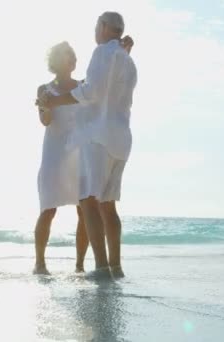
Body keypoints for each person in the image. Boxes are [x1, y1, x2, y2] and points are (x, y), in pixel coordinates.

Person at [37, 12, 137, 279]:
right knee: (107, 204)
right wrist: (123, 50)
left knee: (88, 201)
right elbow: (110, 89)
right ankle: (115, 267)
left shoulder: (103, 53)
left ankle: (100, 267)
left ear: (104, 27)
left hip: (97, 139)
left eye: (96, 26)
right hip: (120, 138)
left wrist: (55, 102)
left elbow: (92, 92)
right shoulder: (127, 60)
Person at [34, 42, 89, 275]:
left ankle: (79, 265)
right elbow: (46, 121)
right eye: (65, 56)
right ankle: (40, 263)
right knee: (48, 208)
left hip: (79, 153)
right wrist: (45, 107)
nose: (70, 60)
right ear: (55, 62)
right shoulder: (44, 88)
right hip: (54, 153)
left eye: (72, 56)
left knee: (84, 210)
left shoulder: (84, 86)